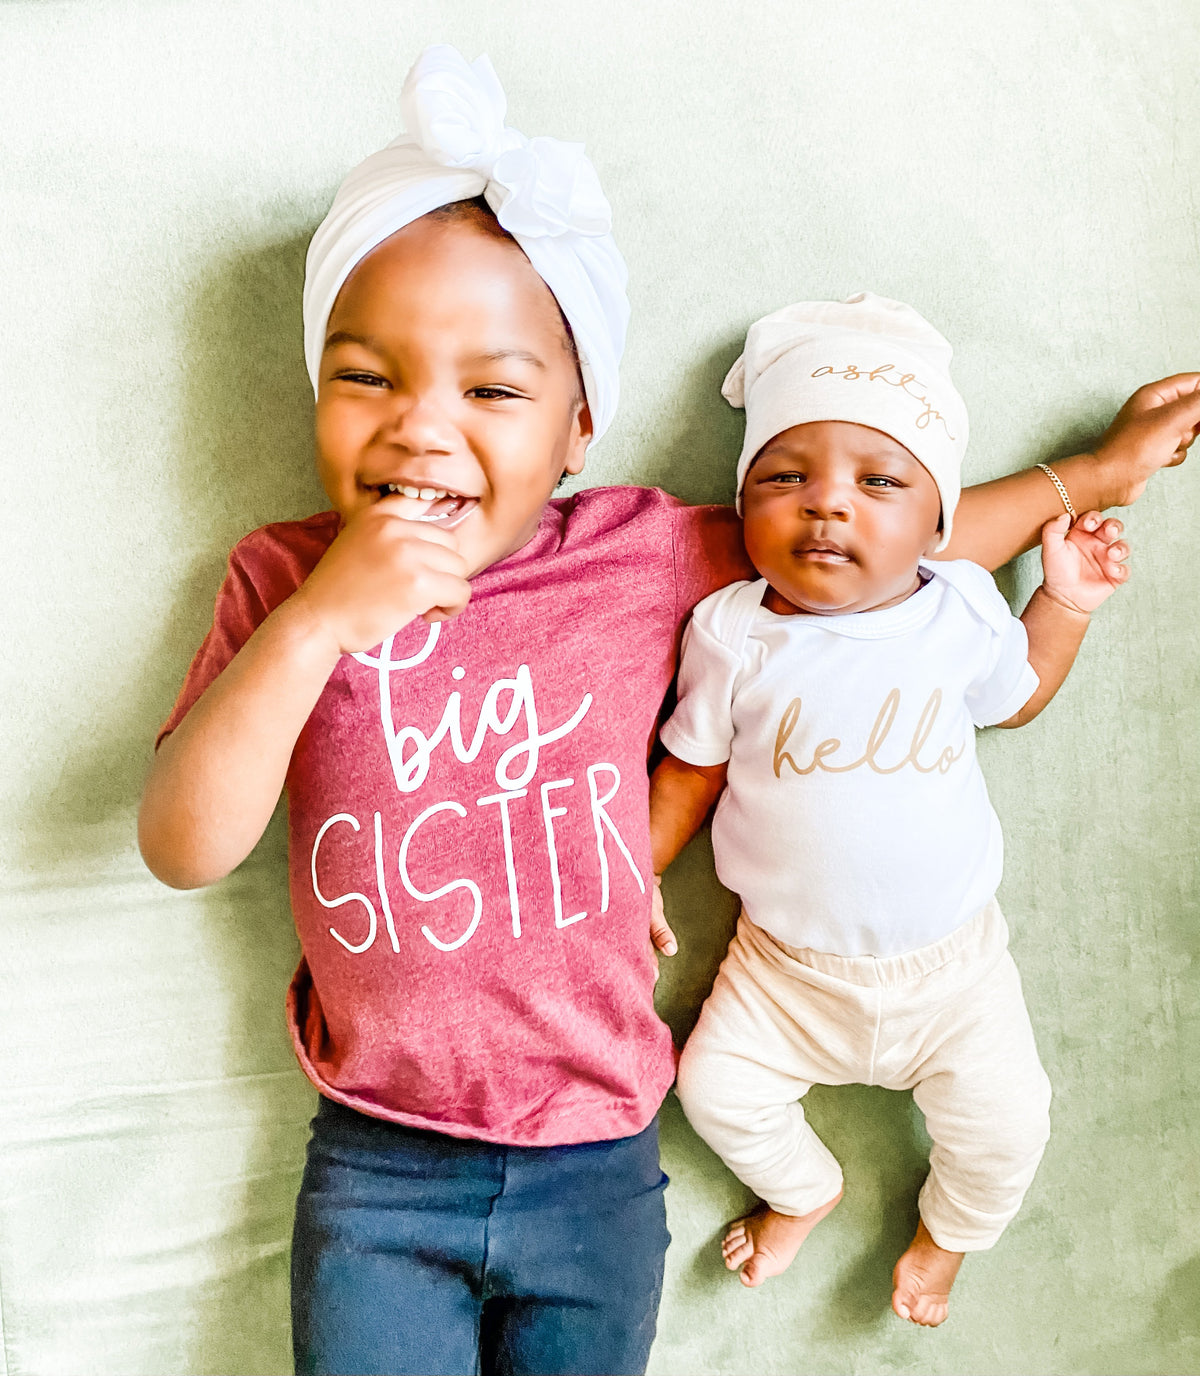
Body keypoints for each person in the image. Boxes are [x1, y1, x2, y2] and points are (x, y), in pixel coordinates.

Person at [137, 43, 1200, 1376]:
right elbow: (184, 845)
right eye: (367, 377)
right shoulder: (279, 579)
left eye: (493, 390)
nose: (421, 425)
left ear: (580, 424)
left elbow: (866, 556)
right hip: (381, 1163)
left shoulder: (629, 554)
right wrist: (316, 627)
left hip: (596, 1155)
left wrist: (1085, 473)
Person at [647, 293, 1181, 1331]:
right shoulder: (733, 632)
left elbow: (1016, 696)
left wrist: (1061, 603)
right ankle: (805, 1186)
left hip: (953, 972)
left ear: (939, 523)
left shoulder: (957, 606)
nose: (827, 506)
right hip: (780, 973)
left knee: (1011, 1125)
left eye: (879, 481)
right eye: (784, 477)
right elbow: (687, 772)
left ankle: (945, 1238)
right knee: (710, 1088)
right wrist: (634, 877)